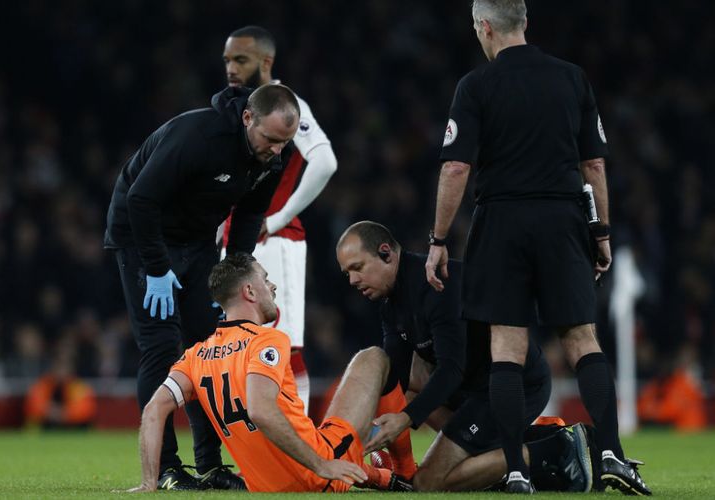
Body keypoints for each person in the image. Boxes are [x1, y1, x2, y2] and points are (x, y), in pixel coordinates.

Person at [424, 0, 650, 494]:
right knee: (581, 338)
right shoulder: (572, 78)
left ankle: (516, 471)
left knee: (507, 345)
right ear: (524, 23)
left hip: (501, 220)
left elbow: (456, 167)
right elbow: (594, 166)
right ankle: (611, 454)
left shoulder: (476, 85)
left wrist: (439, 240)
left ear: (484, 27)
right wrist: (602, 231)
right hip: (562, 217)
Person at [104, 83, 300, 490]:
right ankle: (165, 469)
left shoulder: (273, 155)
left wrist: (232, 276)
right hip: (143, 237)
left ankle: (210, 465)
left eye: (285, 142)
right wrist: (157, 269)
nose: (277, 152)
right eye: (271, 139)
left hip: (195, 241)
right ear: (248, 118)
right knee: (161, 347)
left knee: (209, 347)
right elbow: (140, 199)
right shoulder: (196, 136)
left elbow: (248, 217)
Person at [336, 220, 593, 492]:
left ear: (386, 253)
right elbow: (394, 382)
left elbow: (451, 369)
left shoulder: (436, 285)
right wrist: (356, 436)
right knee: (407, 394)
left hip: (513, 386)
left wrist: (404, 419)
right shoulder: (391, 306)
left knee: (429, 483)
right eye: (347, 273)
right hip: (473, 388)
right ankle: (531, 441)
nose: (352, 280)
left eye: (358, 268)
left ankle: (556, 450)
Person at [126, 253, 410, 493]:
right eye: (265, 279)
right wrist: (322, 465)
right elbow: (260, 411)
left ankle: (378, 475)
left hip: (265, 486)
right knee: (374, 358)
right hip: (317, 472)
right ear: (249, 291)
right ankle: (402, 470)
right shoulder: (267, 340)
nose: (272, 287)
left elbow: (153, 410)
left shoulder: (196, 356)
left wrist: (150, 484)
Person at [220, 26, 338, 413]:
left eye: (241, 59)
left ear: (265, 62)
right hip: (234, 242)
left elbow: (325, 161)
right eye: (227, 61)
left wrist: (278, 217)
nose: (231, 68)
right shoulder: (234, 107)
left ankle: (299, 441)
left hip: (276, 239)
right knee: (237, 344)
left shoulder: (289, 104)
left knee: (284, 348)